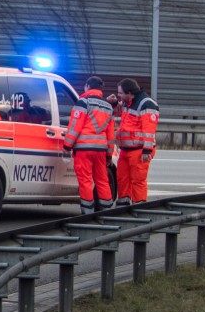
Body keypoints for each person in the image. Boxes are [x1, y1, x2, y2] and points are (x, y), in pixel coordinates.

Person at [62, 75, 116, 214]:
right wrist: (109, 154)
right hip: (101, 150)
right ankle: (107, 212)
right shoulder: (108, 106)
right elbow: (110, 135)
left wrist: (67, 145)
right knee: (102, 181)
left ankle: (87, 213)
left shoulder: (83, 102)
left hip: (84, 149)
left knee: (85, 181)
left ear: (87, 86)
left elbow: (75, 126)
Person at [107, 78, 160, 206]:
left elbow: (149, 130)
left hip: (139, 150)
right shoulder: (129, 102)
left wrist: (147, 150)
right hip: (126, 150)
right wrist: (114, 104)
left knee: (138, 181)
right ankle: (123, 206)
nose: (119, 96)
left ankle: (139, 208)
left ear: (129, 92)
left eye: (120, 93)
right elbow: (122, 112)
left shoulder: (147, 104)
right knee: (122, 179)